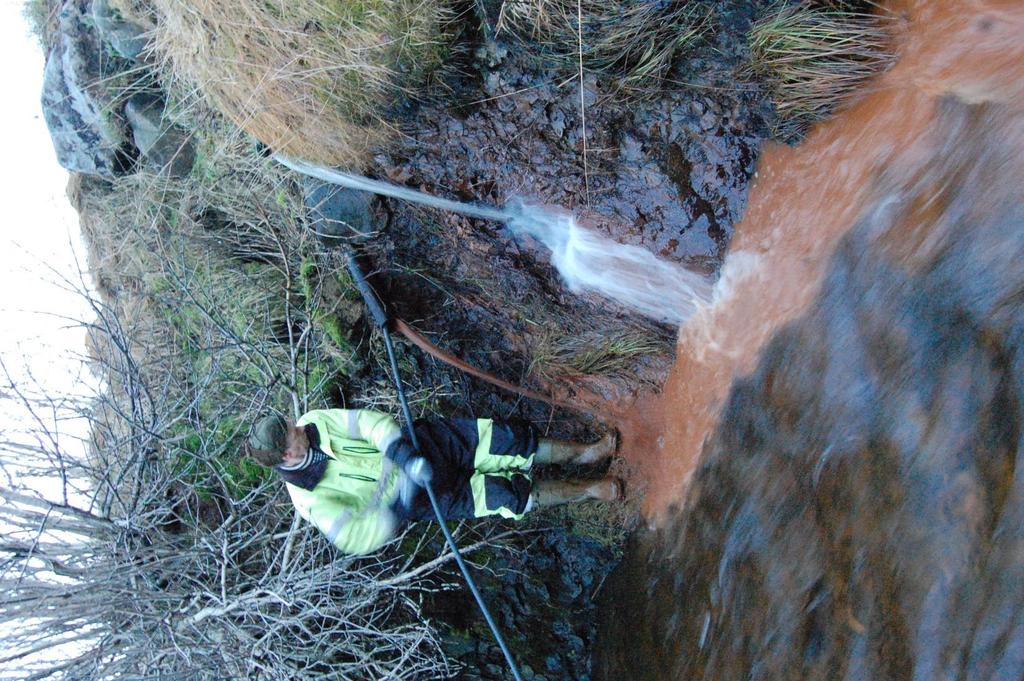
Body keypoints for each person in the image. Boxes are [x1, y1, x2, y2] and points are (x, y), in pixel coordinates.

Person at [246, 409, 621, 555]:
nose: (298, 427)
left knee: (508, 441)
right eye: (291, 434)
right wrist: (397, 505)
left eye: (290, 424)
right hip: (425, 500)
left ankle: (587, 454)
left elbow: (366, 423)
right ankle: (588, 490)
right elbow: (353, 538)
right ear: (286, 457)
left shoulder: (314, 420)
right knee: (508, 497)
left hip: (426, 445)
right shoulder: (308, 501)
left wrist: (400, 451)